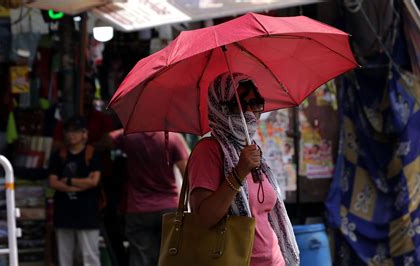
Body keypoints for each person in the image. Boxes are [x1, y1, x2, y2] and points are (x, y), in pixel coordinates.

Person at [188, 72, 299, 266]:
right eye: (236, 105)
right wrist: (239, 173)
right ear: (219, 109)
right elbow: (203, 219)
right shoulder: (208, 151)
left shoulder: (252, 151)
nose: (248, 112)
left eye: (254, 103)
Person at [107, 129, 189, 266]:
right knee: (169, 255)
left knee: (140, 256)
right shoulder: (174, 138)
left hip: (138, 208)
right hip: (169, 207)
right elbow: (187, 174)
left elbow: (107, 140)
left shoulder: (129, 136)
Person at [48, 115, 102, 266]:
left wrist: (69, 182)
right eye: (68, 131)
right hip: (64, 213)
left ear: (85, 133)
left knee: (90, 255)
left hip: (87, 213)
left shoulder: (92, 154)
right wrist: (81, 185)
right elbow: (53, 182)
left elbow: (94, 181)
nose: (71, 135)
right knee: (64, 256)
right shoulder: (58, 155)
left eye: (76, 131)